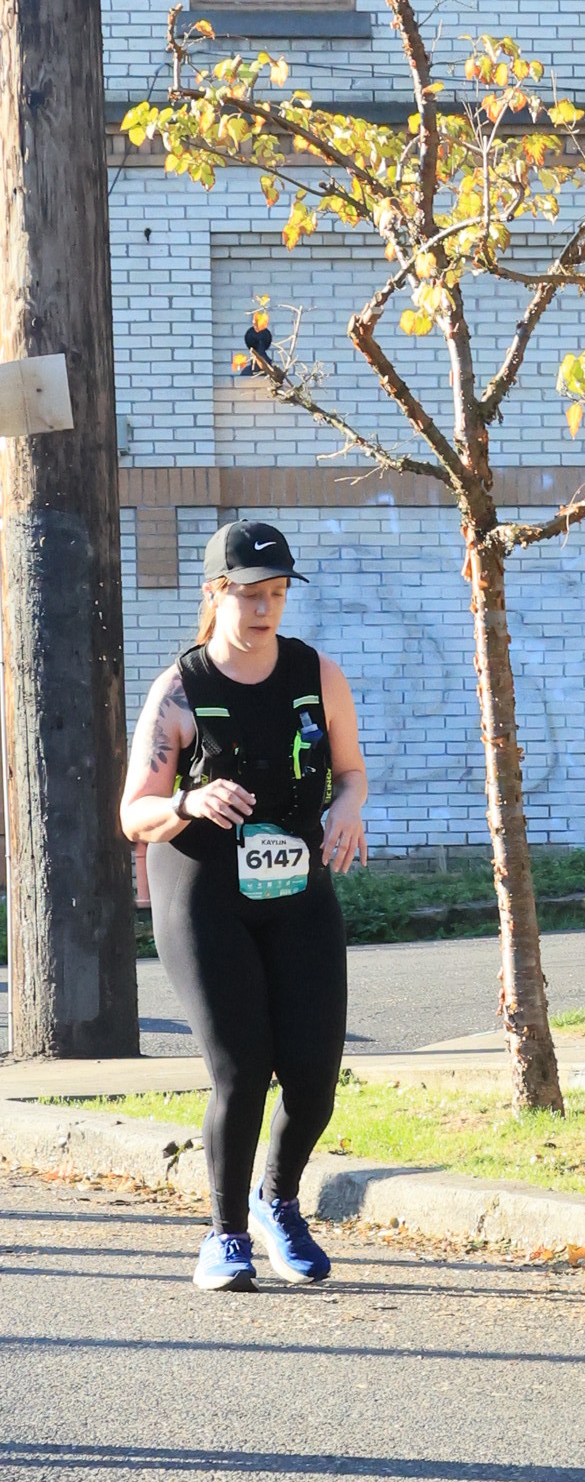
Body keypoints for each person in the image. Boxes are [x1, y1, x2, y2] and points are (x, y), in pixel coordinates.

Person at [121, 518, 368, 1292]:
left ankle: (277, 1202)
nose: (265, 609)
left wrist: (348, 808)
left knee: (314, 1076)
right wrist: (189, 801)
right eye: (249, 594)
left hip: (298, 889)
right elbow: (134, 812)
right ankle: (225, 1236)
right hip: (204, 894)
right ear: (215, 593)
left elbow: (351, 772)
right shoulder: (181, 689)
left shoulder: (317, 674)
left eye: (278, 593)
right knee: (241, 1069)